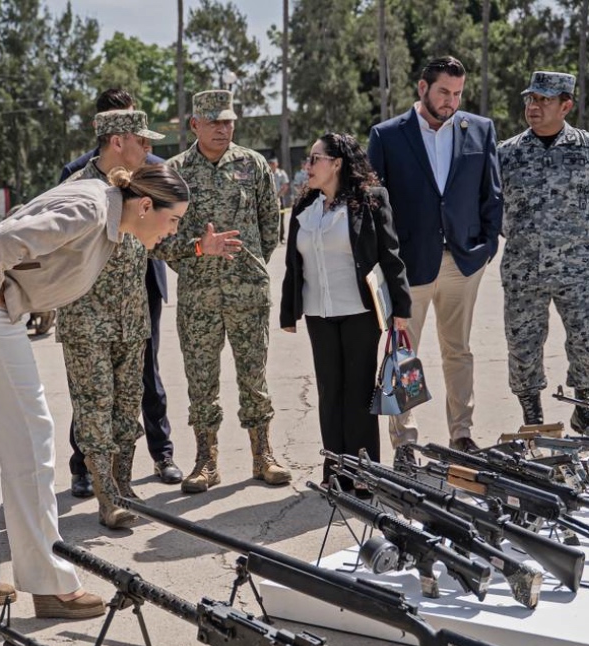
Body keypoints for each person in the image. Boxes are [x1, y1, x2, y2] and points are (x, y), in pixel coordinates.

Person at [0, 164, 212, 618]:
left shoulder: (105, 211)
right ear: (146, 206)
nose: (172, 231)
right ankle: (50, 583)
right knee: (33, 439)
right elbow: (3, 243)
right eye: (173, 221)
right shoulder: (91, 209)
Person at [155, 89, 292, 493]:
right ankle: (206, 460)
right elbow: (160, 239)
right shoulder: (175, 172)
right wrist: (200, 249)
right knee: (201, 381)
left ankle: (262, 454)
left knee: (254, 376)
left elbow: (271, 225)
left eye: (228, 120)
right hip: (198, 297)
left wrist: (249, 265)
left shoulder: (252, 165)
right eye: (213, 121)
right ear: (194, 124)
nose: (222, 128)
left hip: (247, 291)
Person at [368, 56, 502, 464]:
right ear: (422, 88)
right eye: (444, 91)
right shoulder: (388, 135)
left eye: (458, 93)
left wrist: (485, 248)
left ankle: (462, 435)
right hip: (409, 266)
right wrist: (387, 264)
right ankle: (404, 441)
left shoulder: (479, 129)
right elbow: (376, 205)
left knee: (458, 351)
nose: (451, 101)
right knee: (402, 354)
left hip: (463, 263)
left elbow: (491, 195)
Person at [61, 88, 184, 497]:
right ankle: (105, 495)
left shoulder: (142, 182)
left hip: (132, 317)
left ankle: (124, 487)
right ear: (118, 141)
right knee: (95, 409)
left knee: (127, 406)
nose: (149, 149)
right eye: (142, 141)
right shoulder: (77, 188)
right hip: (88, 319)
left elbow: (161, 240)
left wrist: (202, 247)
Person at [280, 133, 412, 483]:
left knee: (357, 393)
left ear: (336, 163)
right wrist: (288, 312)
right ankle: (335, 472)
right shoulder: (305, 206)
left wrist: (400, 308)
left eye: (314, 159)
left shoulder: (371, 200)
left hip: (360, 312)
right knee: (329, 393)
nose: (307, 167)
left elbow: (390, 254)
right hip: (318, 313)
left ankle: (365, 474)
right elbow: (295, 265)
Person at [497, 71, 589, 432]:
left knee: (586, 340)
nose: (533, 107)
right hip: (522, 269)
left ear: (566, 105)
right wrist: (525, 238)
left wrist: (572, 237)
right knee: (522, 344)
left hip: (574, 268)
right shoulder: (507, 154)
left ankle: (585, 407)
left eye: (543, 100)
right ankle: (531, 411)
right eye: (530, 99)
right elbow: (493, 210)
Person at [270, 157, 291, 243]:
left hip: (280, 198)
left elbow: (286, 185)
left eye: (273, 163)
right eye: (270, 164)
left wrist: (279, 195)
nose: (271, 165)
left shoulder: (281, 173)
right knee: (271, 219)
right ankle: (272, 238)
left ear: (277, 164)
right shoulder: (268, 173)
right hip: (270, 198)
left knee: (281, 219)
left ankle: (281, 237)